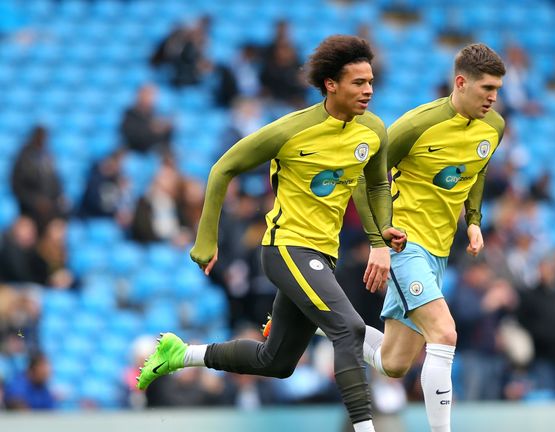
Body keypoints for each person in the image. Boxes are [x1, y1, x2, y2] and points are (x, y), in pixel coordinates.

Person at [136, 35, 406, 432]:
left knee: (275, 362)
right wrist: (206, 239)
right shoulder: (291, 130)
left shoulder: (373, 131)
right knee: (347, 329)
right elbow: (222, 168)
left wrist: (380, 238)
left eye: (370, 82)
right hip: (287, 249)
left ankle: (181, 354)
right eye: (358, 83)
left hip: (322, 256)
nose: (368, 90)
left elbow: (374, 187)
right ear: (331, 84)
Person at [352, 43, 505, 432]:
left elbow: (478, 169)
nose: (493, 97)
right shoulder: (416, 125)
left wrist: (473, 219)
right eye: (486, 88)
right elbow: (365, 174)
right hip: (405, 243)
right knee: (445, 333)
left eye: (497, 90)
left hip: (439, 252)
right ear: (460, 82)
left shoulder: (494, 128)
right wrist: (378, 241)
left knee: (393, 362)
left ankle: (317, 318)